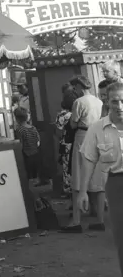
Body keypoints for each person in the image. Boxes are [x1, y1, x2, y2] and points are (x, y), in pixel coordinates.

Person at [79, 80, 123, 269]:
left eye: (122, 100)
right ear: (107, 102)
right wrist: (82, 192)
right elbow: (88, 160)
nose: (119, 106)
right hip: (115, 184)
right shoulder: (97, 129)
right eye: (115, 101)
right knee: (121, 235)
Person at [61, 75, 104, 233]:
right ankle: (99, 219)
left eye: (75, 87)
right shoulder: (98, 101)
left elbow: (73, 123)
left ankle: (76, 221)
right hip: (97, 137)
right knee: (97, 179)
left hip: (82, 136)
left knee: (78, 179)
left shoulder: (78, 102)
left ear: (79, 87)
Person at [55, 91, 76, 196]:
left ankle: (69, 191)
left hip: (65, 143)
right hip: (78, 141)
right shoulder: (77, 113)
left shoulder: (62, 115)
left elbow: (58, 131)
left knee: (66, 167)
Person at [14, 107, 41, 181]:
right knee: (35, 175)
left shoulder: (19, 130)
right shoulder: (33, 128)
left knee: (28, 176)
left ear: (16, 119)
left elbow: (20, 145)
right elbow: (38, 142)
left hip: (26, 156)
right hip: (35, 154)